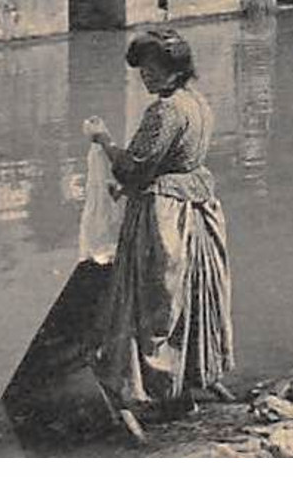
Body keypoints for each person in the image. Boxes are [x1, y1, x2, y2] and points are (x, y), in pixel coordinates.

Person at [86, 29, 234, 429]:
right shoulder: (198, 102)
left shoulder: (165, 111)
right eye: (143, 71)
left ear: (174, 69)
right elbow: (170, 161)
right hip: (199, 208)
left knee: (150, 299)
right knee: (191, 296)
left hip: (165, 216)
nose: (146, 78)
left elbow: (134, 164)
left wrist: (103, 141)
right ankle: (193, 374)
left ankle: (150, 387)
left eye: (153, 69)